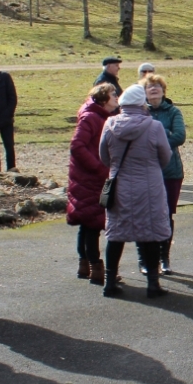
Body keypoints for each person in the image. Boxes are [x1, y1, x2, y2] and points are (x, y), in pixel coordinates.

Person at [97, 84, 173, 297]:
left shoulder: (109, 124)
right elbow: (165, 157)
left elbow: (104, 156)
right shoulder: (154, 127)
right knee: (150, 235)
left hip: (119, 185)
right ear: (142, 103)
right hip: (149, 187)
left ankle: (109, 282)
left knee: (115, 235)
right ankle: (153, 284)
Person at [67, 83, 118, 284]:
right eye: (114, 94)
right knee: (92, 223)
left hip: (102, 178)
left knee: (89, 222)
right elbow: (77, 146)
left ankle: (85, 264)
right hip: (91, 179)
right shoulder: (91, 118)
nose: (117, 97)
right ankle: (96, 267)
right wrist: (98, 168)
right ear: (103, 98)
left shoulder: (105, 117)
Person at [143, 73, 186, 274]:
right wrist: (163, 134)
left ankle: (164, 258)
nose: (154, 89)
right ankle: (145, 259)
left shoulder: (173, 111)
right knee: (146, 215)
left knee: (166, 215)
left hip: (170, 172)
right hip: (146, 171)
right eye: (150, 86)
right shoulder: (141, 112)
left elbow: (179, 136)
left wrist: (155, 138)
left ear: (163, 90)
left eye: (157, 86)